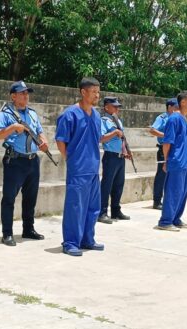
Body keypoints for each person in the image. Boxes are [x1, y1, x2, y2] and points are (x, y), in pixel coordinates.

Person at [0, 81, 48, 246]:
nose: (26, 95)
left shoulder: (32, 113)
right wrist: (13, 128)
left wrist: (44, 142)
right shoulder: (6, 114)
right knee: (9, 198)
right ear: (13, 96)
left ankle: (28, 229)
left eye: (27, 93)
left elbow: (40, 132)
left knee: (31, 198)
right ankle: (7, 233)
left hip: (32, 160)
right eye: (22, 93)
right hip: (15, 160)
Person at [55, 77, 104, 256]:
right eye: (93, 92)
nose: (97, 95)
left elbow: (96, 138)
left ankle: (87, 239)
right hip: (78, 168)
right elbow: (61, 141)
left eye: (98, 92)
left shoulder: (97, 115)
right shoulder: (69, 114)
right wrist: (71, 159)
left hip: (93, 168)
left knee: (93, 207)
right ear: (83, 92)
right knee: (75, 206)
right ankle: (70, 243)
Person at [155, 91, 187, 231]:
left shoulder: (183, 118)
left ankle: (175, 218)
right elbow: (167, 142)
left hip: (184, 161)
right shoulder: (174, 119)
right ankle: (165, 221)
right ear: (183, 102)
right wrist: (167, 160)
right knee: (173, 191)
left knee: (182, 192)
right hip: (176, 161)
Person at [98, 96, 131, 224]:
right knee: (107, 185)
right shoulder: (104, 121)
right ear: (106, 107)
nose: (117, 108)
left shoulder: (117, 120)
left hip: (120, 156)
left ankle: (116, 211)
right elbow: (101, 138)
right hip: (110, 156)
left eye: (118, 106)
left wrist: (126, 151)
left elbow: (122, 138)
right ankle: (102, 212)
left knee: (118, 185)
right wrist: (114, 133)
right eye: (114, 106)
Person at [149, 98, 180, 210]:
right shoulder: (162, 118)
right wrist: (166, 135)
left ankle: (167, 200)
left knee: (171, 176)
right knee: (161, 175)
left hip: (174, 149)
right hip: (163, 149)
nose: (178, 109)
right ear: (170, 107)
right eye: (176, 107)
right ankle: (157, 201)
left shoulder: (177, 118)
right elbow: (152, 130)